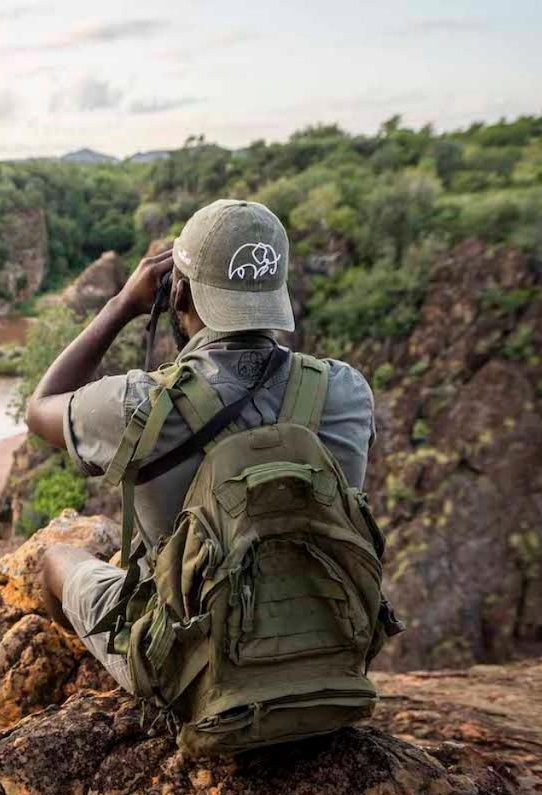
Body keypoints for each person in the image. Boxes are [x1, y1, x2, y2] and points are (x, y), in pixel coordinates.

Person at [24, 199, 377, 691]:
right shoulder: (345, 391)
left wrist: (122, 304)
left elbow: (40, 406)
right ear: (276, 295)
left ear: (179, 294)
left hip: (196, 678)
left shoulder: (142, 405)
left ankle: (111, 675)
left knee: (57, 562)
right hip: (330, 659)